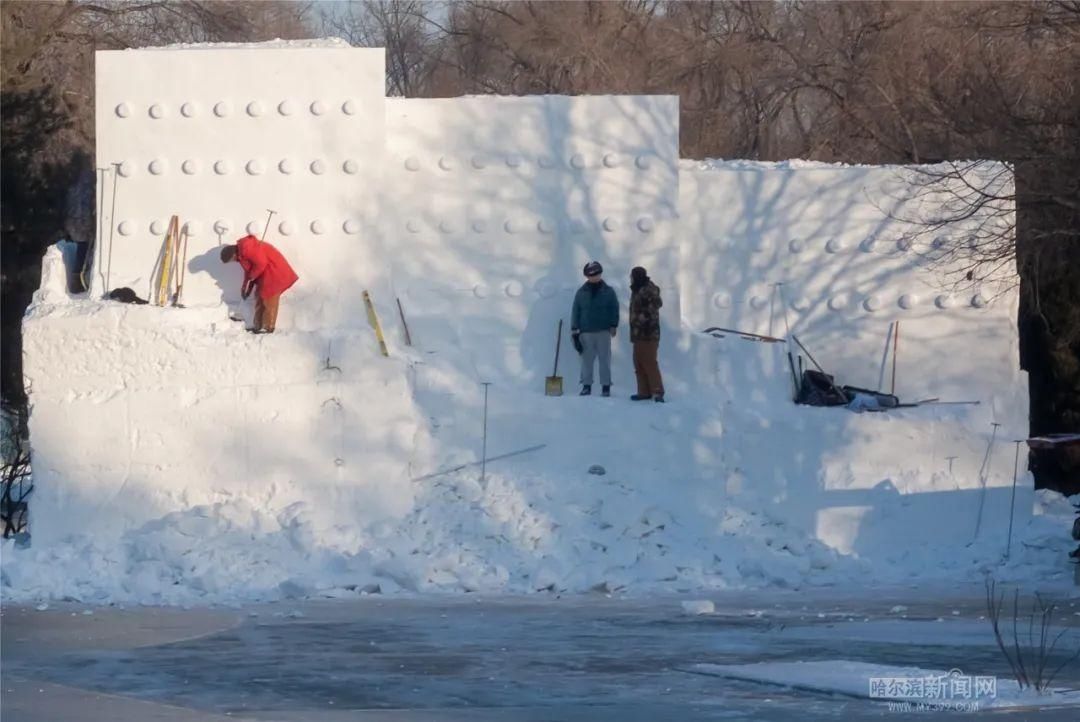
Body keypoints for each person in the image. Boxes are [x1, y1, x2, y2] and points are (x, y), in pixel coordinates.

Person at [220, 234, 298, 333]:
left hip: (275, 271)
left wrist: (252, 278)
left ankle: (267, 327)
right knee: (259, 297)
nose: (234, 262)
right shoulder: (242, 255)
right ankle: (258, 326)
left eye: (232, 260)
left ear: (233, 255)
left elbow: (261, 263)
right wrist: (245, 288)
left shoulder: (247, 249)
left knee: (269, 299)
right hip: (266, 274)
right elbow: (249, 272)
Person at [571, 261, 619, 396]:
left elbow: (614, 308)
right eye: (591, 275)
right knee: (586, 360)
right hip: (586, 332)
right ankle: (586, 385)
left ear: (600, 273)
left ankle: (606, 386)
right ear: (587, 276)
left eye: (596, 274)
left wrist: (613, 325)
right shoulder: (581, 292)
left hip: (603, 331)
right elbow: (576, 311)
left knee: (605, 360)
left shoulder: (608, 291)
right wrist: (575, 330)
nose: (594, 277)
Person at [628, 266, 664, 402]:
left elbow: (654, 308)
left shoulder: (648, 289)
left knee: (649, 362)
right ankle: (644, 391)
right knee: (638, 363)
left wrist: (641, 319)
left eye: (631, 276)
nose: (630, 279)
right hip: (638, 334)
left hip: (648, 334)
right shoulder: (637, 289)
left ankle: (657, 391)